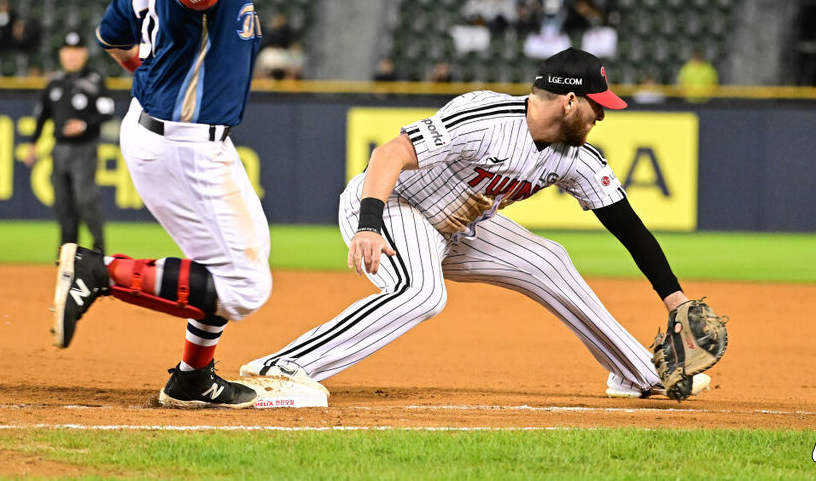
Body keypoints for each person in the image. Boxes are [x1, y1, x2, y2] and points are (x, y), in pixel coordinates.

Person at [241, 48, 725, 400]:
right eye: (597, 104)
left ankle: (639, 373)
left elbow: (630, 228)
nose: (603, 113)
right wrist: (369, 224)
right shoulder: (488, 117)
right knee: (421, 294)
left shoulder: (575, 157)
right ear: (570, 101)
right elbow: (389, 153)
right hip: (392, 209)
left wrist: (675, 299)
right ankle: (280, 367)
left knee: (547, 260)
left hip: (458, 228)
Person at [53, 0, 284, 409]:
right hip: (183, 141)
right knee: (246, 287)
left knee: (228, 266)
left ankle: (191, 379)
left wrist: (151, 71)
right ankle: (98, 271)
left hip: (169, 131)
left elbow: (112, 33)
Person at [24, 31, 114, 254]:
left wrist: (84, 125)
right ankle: (68, 250)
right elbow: (42, 115)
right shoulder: (55, 82)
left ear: (84, 53)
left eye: (77, 51)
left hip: (85, 148)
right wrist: (33, 143)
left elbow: (107, 112)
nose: (72, 55)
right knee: (63, 202)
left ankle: (98, 248)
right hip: (60, 148)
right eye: (68, 51)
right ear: (61, 54)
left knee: (85, 199)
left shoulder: (94, 80)